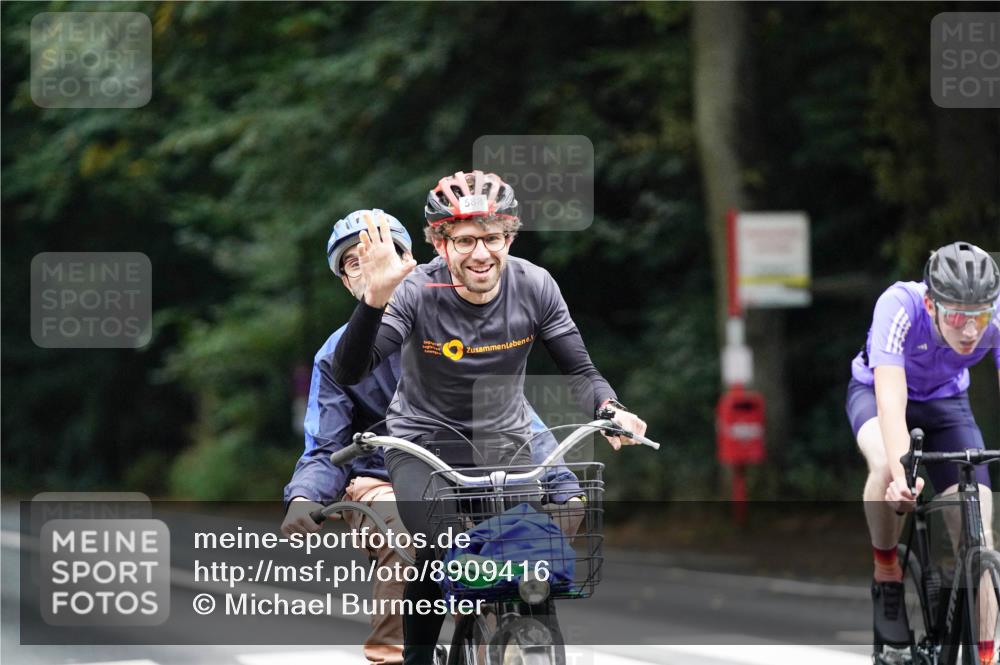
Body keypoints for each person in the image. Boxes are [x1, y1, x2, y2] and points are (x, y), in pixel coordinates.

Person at [331, 171, 648, 665]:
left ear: (509, 238)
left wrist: (611, 410)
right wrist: (375, 298)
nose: (481, 254)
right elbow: (351, 369)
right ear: (441, 243)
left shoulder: (535, 285)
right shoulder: (416, 290)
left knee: (530, 559)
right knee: (436, 549)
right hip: (423, 449)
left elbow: (581, 372)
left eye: (493, 238)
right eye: (465, 241)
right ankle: (417, 659)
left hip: (506, 446)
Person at [281, 208, 584, 665]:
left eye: (382, 253)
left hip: (474, 470)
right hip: (381, 476)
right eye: (354, 262)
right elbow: (325, 446)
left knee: (527, 543)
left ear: (411, 262)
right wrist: (305, 496)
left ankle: (512, 639)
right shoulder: (336, 354)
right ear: (345, 281)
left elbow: (513, 413)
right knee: (405, 536)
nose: (370, 265)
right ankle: (395, 656)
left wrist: (557, 480)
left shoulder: (458, 322)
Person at [848, 241, 1000, 652]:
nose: (971, 331)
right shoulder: (899, 306)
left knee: (980, 534)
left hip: (948, 403)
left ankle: (988, 654)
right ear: (932, 305)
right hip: (878, 392)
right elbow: (891, 404)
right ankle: (887, 574)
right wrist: (904, 477)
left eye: (980, 317)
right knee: (886, 467)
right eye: (958, 317)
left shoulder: (997, 315)